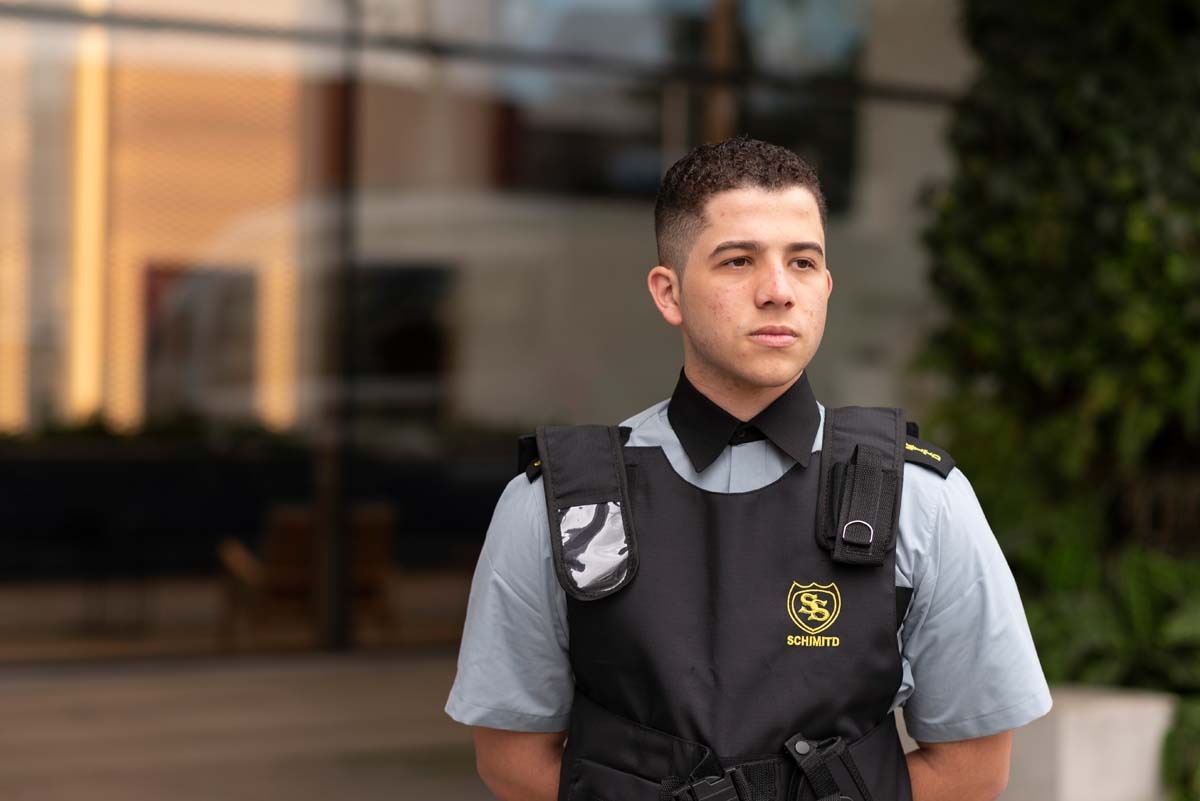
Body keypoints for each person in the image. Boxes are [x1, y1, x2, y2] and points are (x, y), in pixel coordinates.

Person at [445, 136, 1051, 801]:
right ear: (669, 293)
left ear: (826, 286)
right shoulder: (560, 503)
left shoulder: (921, 499)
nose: (778, 291)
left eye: (803, 262)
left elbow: (972, 770)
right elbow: (512, 760)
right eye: (738, 260)